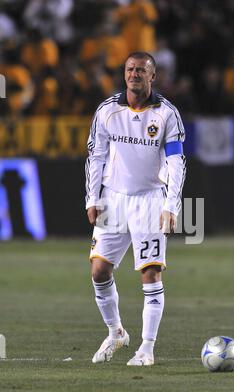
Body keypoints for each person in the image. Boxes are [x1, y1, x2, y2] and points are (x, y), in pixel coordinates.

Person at [85, 51, 185, 366]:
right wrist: (92, 197)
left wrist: (172, 205)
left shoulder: (167, 114)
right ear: (123, 74)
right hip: (113, 199)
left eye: (141, 70)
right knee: (99, 270)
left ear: (153, 76)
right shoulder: (107, 111)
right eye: (130, 69)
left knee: (150, 273)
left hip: (150, 199)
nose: (134, 75)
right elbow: (96, 156)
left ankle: (147, 348)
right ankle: (116, 332)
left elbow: (176, 162)